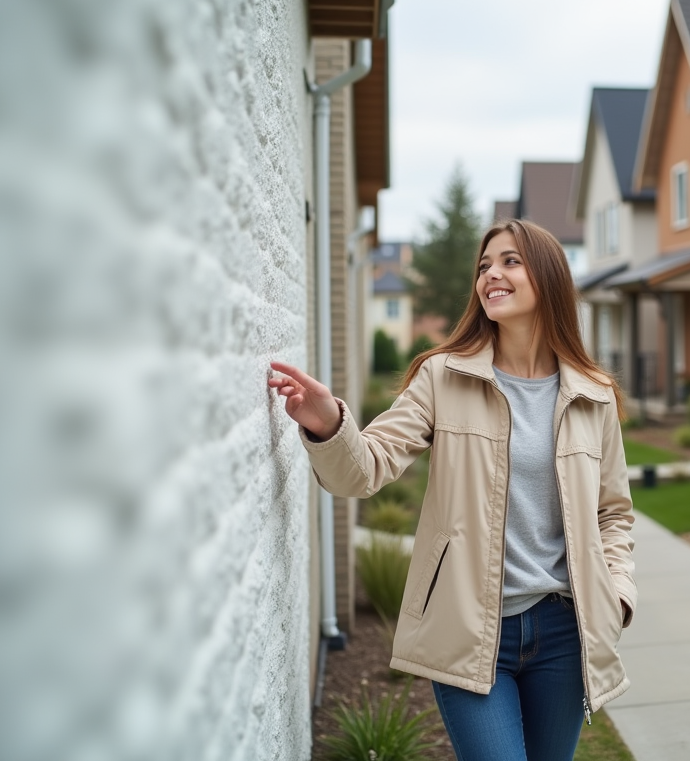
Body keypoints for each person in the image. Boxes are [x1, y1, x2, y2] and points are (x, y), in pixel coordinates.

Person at [268, 219, 636, 761]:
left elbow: (613, 513)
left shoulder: (593, 394)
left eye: (510, 261)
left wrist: (617, 595)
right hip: (468, 629)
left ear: (550, 277)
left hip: (565, 632)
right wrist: (329, 426)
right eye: (485, 265)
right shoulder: (443, 376)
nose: (491, 274)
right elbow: (364, 470)